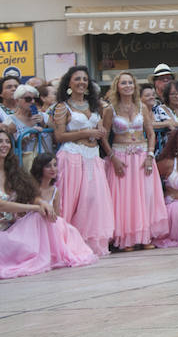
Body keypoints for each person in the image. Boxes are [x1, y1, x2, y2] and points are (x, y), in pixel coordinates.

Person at [0, 137, 97, 278]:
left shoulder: (14, 172)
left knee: (42, 216)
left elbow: (31, 195)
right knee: (36, 214)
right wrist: (34, 207)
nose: (4, 145)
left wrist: (42, 203)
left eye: (7, 141)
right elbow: (2, 205)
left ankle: (52, 254)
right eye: (0, 141)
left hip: (13, 227)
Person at [101, 72, 168, 251]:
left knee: (145, 196)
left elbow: (151, 133)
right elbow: (104, 136)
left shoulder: (141, 106)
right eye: (123, 83)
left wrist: (150, 155)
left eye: (130, 82)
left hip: (142, 156)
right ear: (117, 86)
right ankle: (127, 238)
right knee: (125, 199)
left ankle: (145, 236)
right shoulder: (110, 109)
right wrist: (112, 157)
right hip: (121, 156)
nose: (128, 86)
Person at [52, 66, 114, 256]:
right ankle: (64, 243)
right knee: (70, 202)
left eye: (85, 79)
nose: (81, 82)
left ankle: (88, 243)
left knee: (93, 202)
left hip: (93, 157)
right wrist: (86, 132)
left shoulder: (94, 106)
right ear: (69, 83)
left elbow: (101, 129)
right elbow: (59, 136)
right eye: (77, 79)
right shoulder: (63, 107)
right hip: (72, 157)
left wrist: (101, 131)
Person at [9, 84, 52, 169]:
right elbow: (12, 146)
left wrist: (44, 124)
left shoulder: (44, 116)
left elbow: (57, 136)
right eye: (28, 99)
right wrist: (30, 135)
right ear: (17, 101)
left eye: (35, 99)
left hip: (48, 162)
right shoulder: (11, 121)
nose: (32, 102)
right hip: (27, 165)